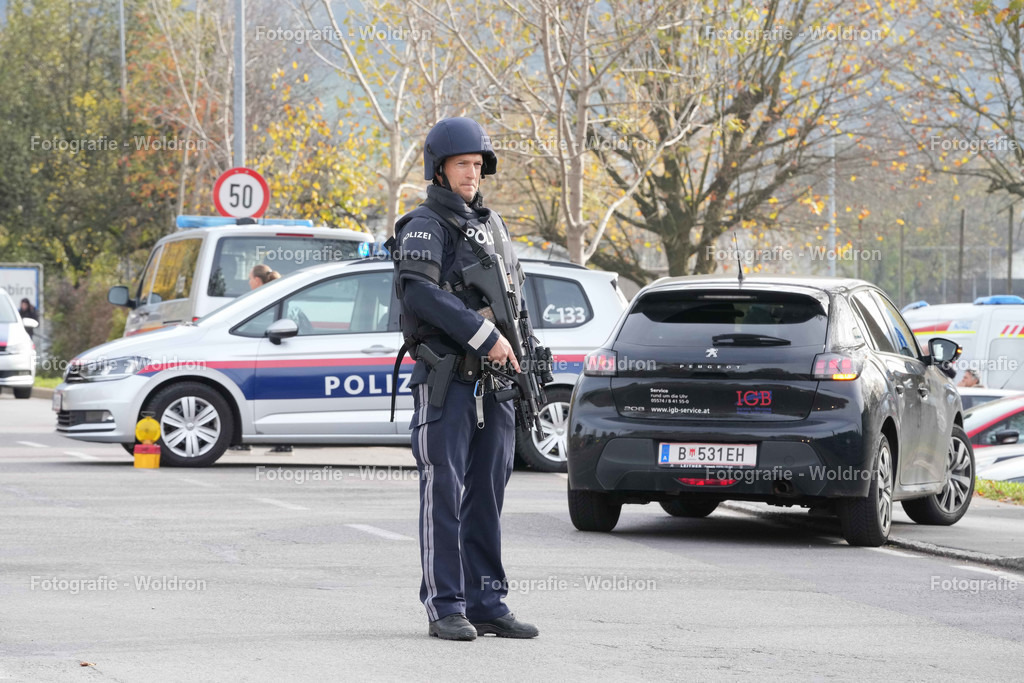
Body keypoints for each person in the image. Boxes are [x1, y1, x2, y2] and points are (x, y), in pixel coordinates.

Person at [392, 117, 539, 641]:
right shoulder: (425, 225)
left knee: (487, 497)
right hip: (448, 383)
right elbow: (421, 294)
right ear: (439, 169)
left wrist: (526, 349)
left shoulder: (491, 225)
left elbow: (511, 297)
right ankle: (446, 604)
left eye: (478, 165)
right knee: (444, 492)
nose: (472, 173)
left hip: (497, 385)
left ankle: (487, 602)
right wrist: (482, 336)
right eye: (462, 165)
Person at [243, 265, 291, 454]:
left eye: (250, 278)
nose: (248, 282)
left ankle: (245, 439)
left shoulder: (261, 301)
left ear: (257, 280)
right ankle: (283, 441)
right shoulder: (278, 297)